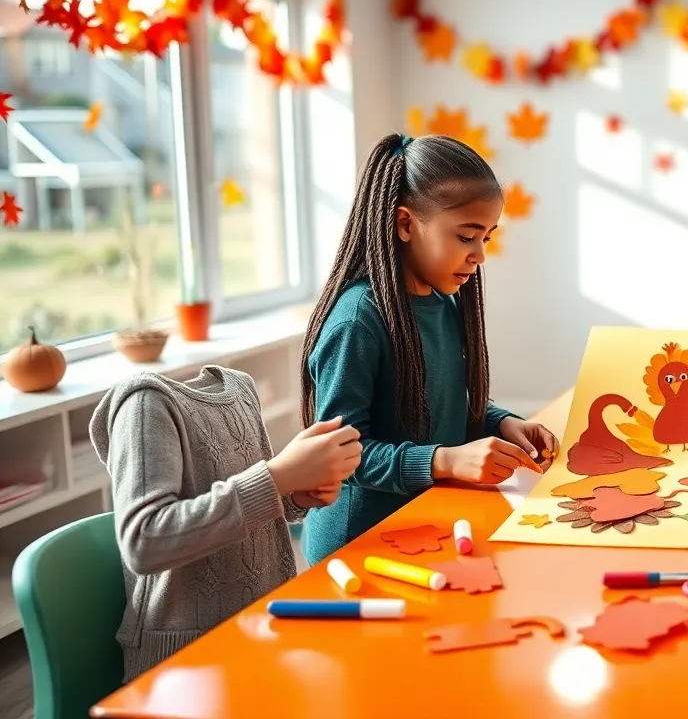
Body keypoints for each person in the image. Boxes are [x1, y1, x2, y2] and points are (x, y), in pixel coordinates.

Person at [300, 134, 557, 565]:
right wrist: (445, 461)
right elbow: (341, 456)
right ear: (404, 224)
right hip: (357, 546)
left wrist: (502, 422)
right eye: (465, 237)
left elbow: (438, 398)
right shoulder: (357, 321)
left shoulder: (442, 302)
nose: (479, 255)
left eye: (486, 238)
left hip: (424, 522)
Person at [93, 365, 361, 680]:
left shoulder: (242, 387)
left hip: (263, 630)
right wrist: (278, 478)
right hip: (183, 662)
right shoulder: (144, 403)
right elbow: (144, 541)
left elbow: (246, 505)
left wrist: (296, 494)